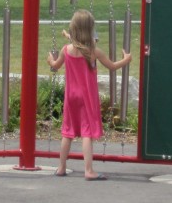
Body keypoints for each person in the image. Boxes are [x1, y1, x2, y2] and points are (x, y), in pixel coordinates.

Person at [46, 9, 132, 180]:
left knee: (67, 132)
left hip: (70, 96)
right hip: (87, 97)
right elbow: (112, 66)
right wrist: (126, 59)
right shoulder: (93, 51)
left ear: (73, 29)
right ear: (90, 30)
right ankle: (88, 170)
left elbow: (55, 65)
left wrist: (50, 60)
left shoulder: (66, 49)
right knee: (86, 133)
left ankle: (61, 167)